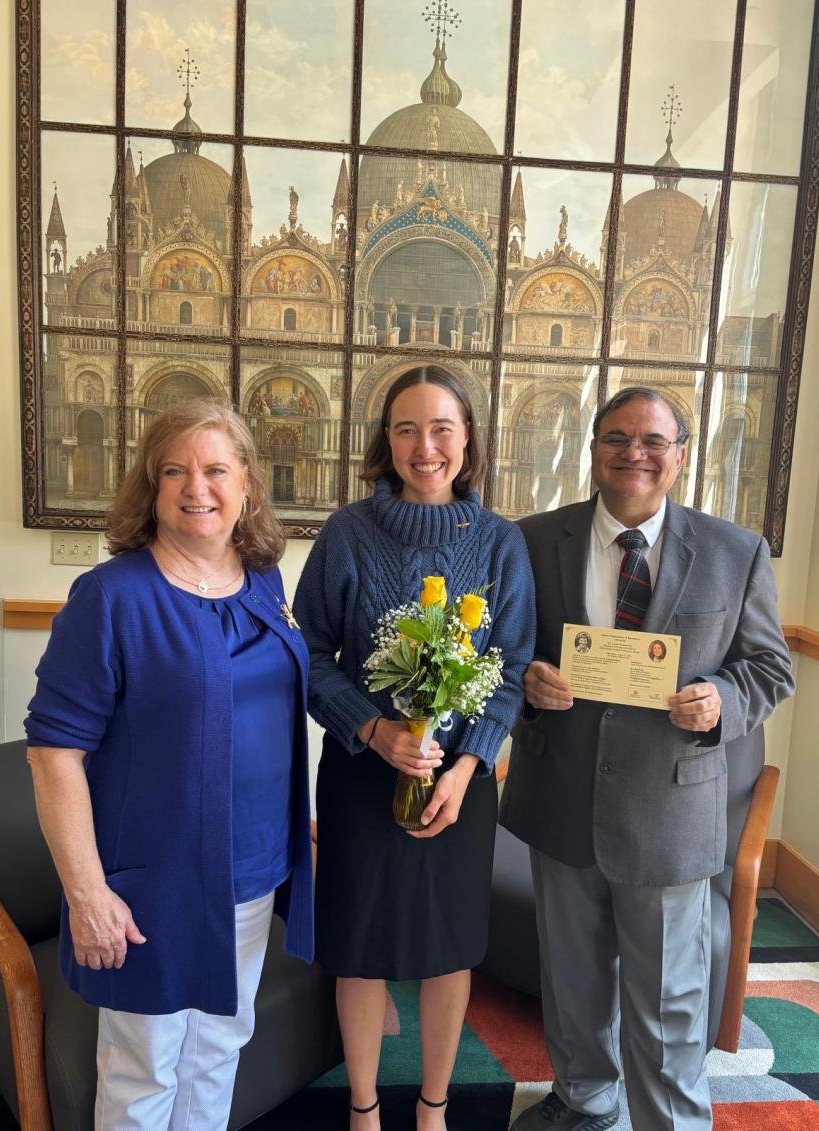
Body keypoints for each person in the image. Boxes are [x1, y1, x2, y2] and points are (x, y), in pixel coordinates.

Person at [501, 387, 794, 1131]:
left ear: (681, 454)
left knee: (668, 1003)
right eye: (617, 437)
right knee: (570, 985)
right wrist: (527, 681)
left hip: (670, 813)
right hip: (560, 797)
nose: (635, 453)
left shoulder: (735, 552)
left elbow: (770, 669)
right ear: (593, 448)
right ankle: (585, 1102)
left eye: (654, 440)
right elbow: (499, 654)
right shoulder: (533, 540)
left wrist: (722, 698)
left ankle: (672, 1122)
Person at [25, 400, 313, 1130]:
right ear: (151, 486)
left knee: (219, 1044)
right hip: (151, 883)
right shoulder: (112, 598)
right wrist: (87, 893)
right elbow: (54, 750)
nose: (198, 487)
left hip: (249, 869)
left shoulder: (263, 583)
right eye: (175, 471)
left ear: (246, 482)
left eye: (217, 469)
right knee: (143, 1066)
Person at [293, 365, 536, 1131]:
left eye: (441, 428)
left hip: (457, 785)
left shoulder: (500, 543)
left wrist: (466, 768)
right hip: (364, 777)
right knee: (358, 946)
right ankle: (363, 1110)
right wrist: (372, 728)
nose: (424, 446)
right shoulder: (346, 534)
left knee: (447, 948)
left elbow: (514, 669)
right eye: (406, 428)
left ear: (468, 438)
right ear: (384, 439)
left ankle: (433, 1108)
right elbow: (309, 653)